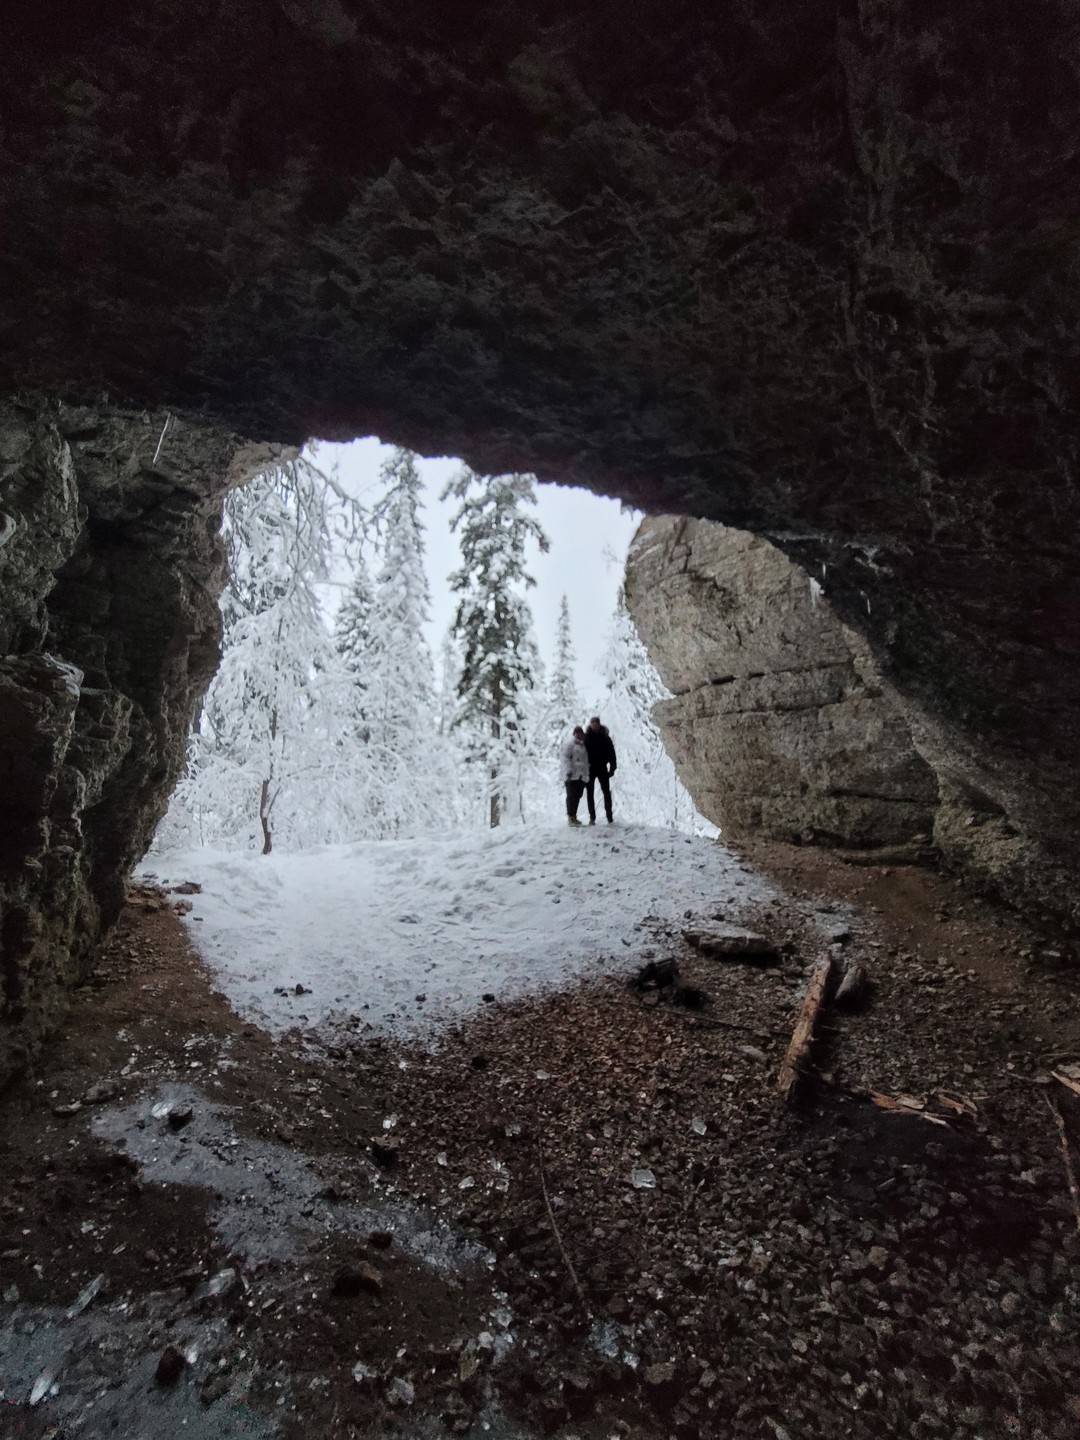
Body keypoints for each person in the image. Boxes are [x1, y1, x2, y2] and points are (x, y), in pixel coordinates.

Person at [583, 715, 617, 824]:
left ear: (599, 724)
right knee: (590, 794)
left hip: (602, 767)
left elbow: (612, 753)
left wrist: (613, 767)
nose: (595, 725)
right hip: (589, 769)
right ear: (590, 725)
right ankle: (592, 818)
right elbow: (581, 754)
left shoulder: (605, 737)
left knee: (606, 792)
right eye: (593, 723)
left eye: (596, 723)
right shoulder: (586, 738)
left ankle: (609, 817)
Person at [561, 726, 589, 826]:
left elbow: (585, 760)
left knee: (577, 796)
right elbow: (565, 758)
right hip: (571, 776)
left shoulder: (583, 745)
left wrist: (586, 774)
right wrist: (568, 770)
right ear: (574, 734)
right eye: (577, 733)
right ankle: (570, 817)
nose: (579, 735)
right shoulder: (570, 744)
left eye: (581, 733)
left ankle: (574, 816)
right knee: (571, 796)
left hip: (581, 776)